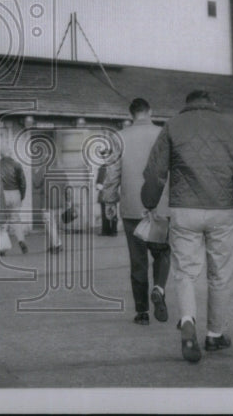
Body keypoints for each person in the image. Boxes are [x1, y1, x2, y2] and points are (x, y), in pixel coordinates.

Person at [142, 89, 233, 363]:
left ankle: (187, 320)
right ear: (212, 104)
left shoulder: (173, 125)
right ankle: (215, 334)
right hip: (224, 210)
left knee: (185, 272)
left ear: (187, 104)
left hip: (184, 210)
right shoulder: (232, 126)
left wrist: (149, 202)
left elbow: (156, 171)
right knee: (219, 274)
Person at [101, 97, 171, 325]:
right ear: (150, 111)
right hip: (160, 206)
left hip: (131, 208)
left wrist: (109, 202)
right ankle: (159, 289)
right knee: (162, 253)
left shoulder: (119, 137)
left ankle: (142, 313)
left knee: (137, 260)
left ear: (131, 114)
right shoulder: (164, 133)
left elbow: (112, 174)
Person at [0, 155, 28, 255]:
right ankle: (21, 240)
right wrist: (21, 195)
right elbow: (23, 182)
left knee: (2, 220)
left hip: (2, 193)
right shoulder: (17, 165)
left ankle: (2, 247)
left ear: (0, 155)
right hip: (15, 193)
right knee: (16, 219)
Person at [95, 163, 119, 236]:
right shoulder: (112, 167)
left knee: (110, 212)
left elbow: (99, 181)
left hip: (107, 193)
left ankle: (110, 231)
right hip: (109, 193)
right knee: (109, 212)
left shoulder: (105, 167)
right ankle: (110, 230)